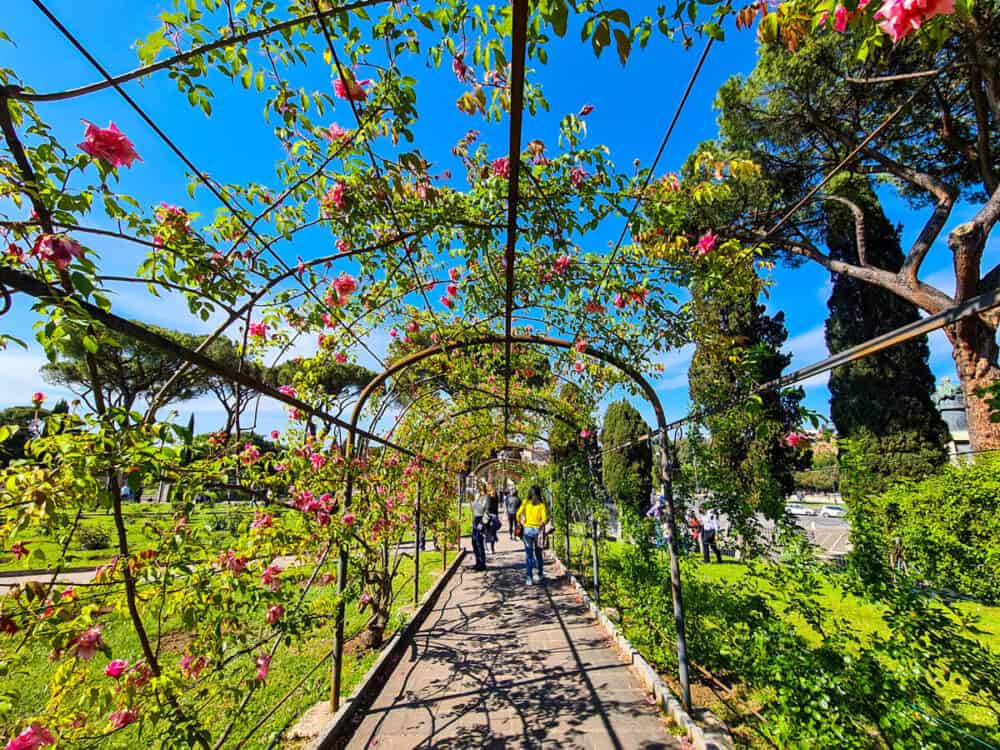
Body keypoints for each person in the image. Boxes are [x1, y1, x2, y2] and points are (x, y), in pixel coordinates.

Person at [517, 486, 548, 585]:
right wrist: (541, 523)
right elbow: (544, 519)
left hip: (527, 531)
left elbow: (518, 513)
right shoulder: (541, 505)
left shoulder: (526, 502)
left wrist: (521, 522)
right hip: (537, 531)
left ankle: (529, 578)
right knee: (539, 554)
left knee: (529, 555)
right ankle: (540, 574)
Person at [471, 490, 488, 571]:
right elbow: (472, 509)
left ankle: (482, 564)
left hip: (481, 520)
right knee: (474, 542)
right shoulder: (477, 498)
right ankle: (477, 562)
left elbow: (482, 510)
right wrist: (473, 501)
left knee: (479, 542)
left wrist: (476, 501)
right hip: (475, 519)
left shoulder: (485, 498)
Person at [486, 489, 500, 554]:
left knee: (486, 533)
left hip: (489, 517)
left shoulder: (489, 499)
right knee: (493, 534)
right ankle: (492, 549)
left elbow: (487, 509)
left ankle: (487, 548)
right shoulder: (496, 500)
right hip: (495, 517)